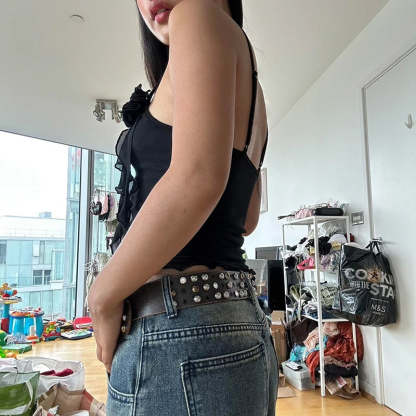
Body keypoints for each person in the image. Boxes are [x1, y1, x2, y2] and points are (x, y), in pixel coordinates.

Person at [87, 0, 278, 414]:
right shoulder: (253, 89)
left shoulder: (197, 13)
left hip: (178, 334)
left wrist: (101, 295)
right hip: (237, 323)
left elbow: (197, 179)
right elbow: (245, 219)